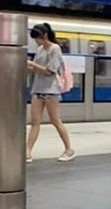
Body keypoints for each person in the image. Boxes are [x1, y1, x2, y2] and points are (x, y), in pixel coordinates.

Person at [25, 23, 75, 163]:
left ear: (45, 36)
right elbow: (35, 70)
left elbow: (50, 71)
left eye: (38, 38)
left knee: (55, 120)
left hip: (51, 90)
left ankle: (69, 149)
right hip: (37, 89)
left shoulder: (55, 49)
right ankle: (27, 151)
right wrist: (26, 65)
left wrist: (33, 64)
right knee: (35, 121)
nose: (37, 41)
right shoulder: (40, 49)